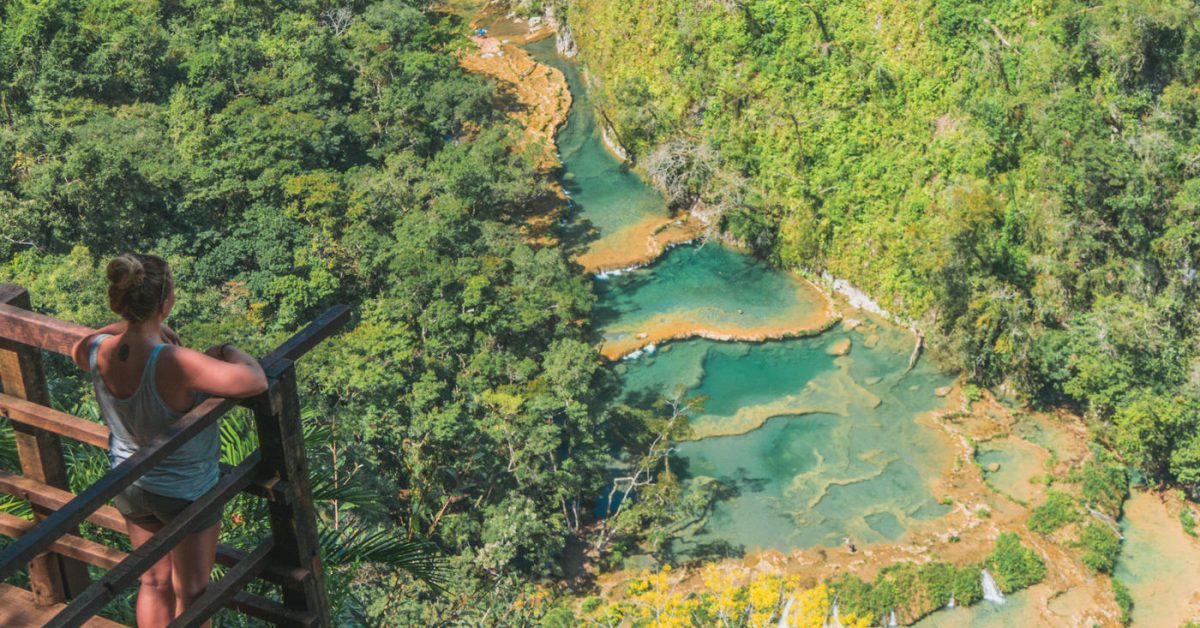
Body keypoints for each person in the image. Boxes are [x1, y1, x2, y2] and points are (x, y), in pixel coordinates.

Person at [70, 253, 268, 628]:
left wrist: (124, 327)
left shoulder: (99, 353)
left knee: (154, 580)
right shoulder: (175, 362)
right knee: (193, 593)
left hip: (130, 483)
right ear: (166, 304)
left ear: (122, 302)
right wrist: (226, 350)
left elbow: (80, 344)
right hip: (185, 492)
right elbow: (254, 380)